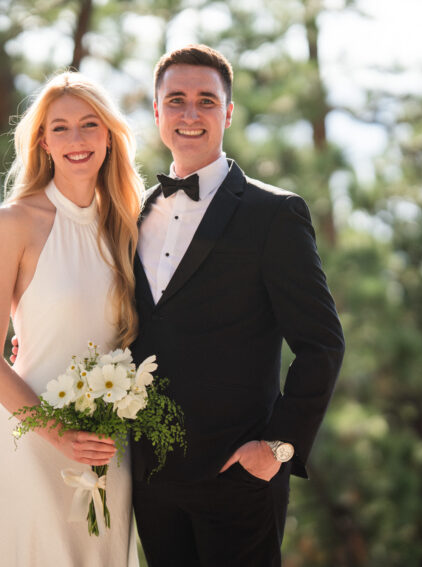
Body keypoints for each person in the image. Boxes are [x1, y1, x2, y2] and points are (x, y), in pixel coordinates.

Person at [129, 45, 345, 566]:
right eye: (175, 100)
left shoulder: (275, 215)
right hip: (149, 481)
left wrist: (278, 448)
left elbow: (322, 345)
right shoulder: (133, 212)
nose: (190, 114)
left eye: (206, 101)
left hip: (239, 477)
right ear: (157, 112)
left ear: (227, 112)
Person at [0, 71, 142, 566]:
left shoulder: (129, 224)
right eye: (60, 128)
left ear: (109, 135)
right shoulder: (14, 222)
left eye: (89, 124)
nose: (76, 140)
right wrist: (57, 432)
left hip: (108, 448)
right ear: (42, 141)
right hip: (36, 445)